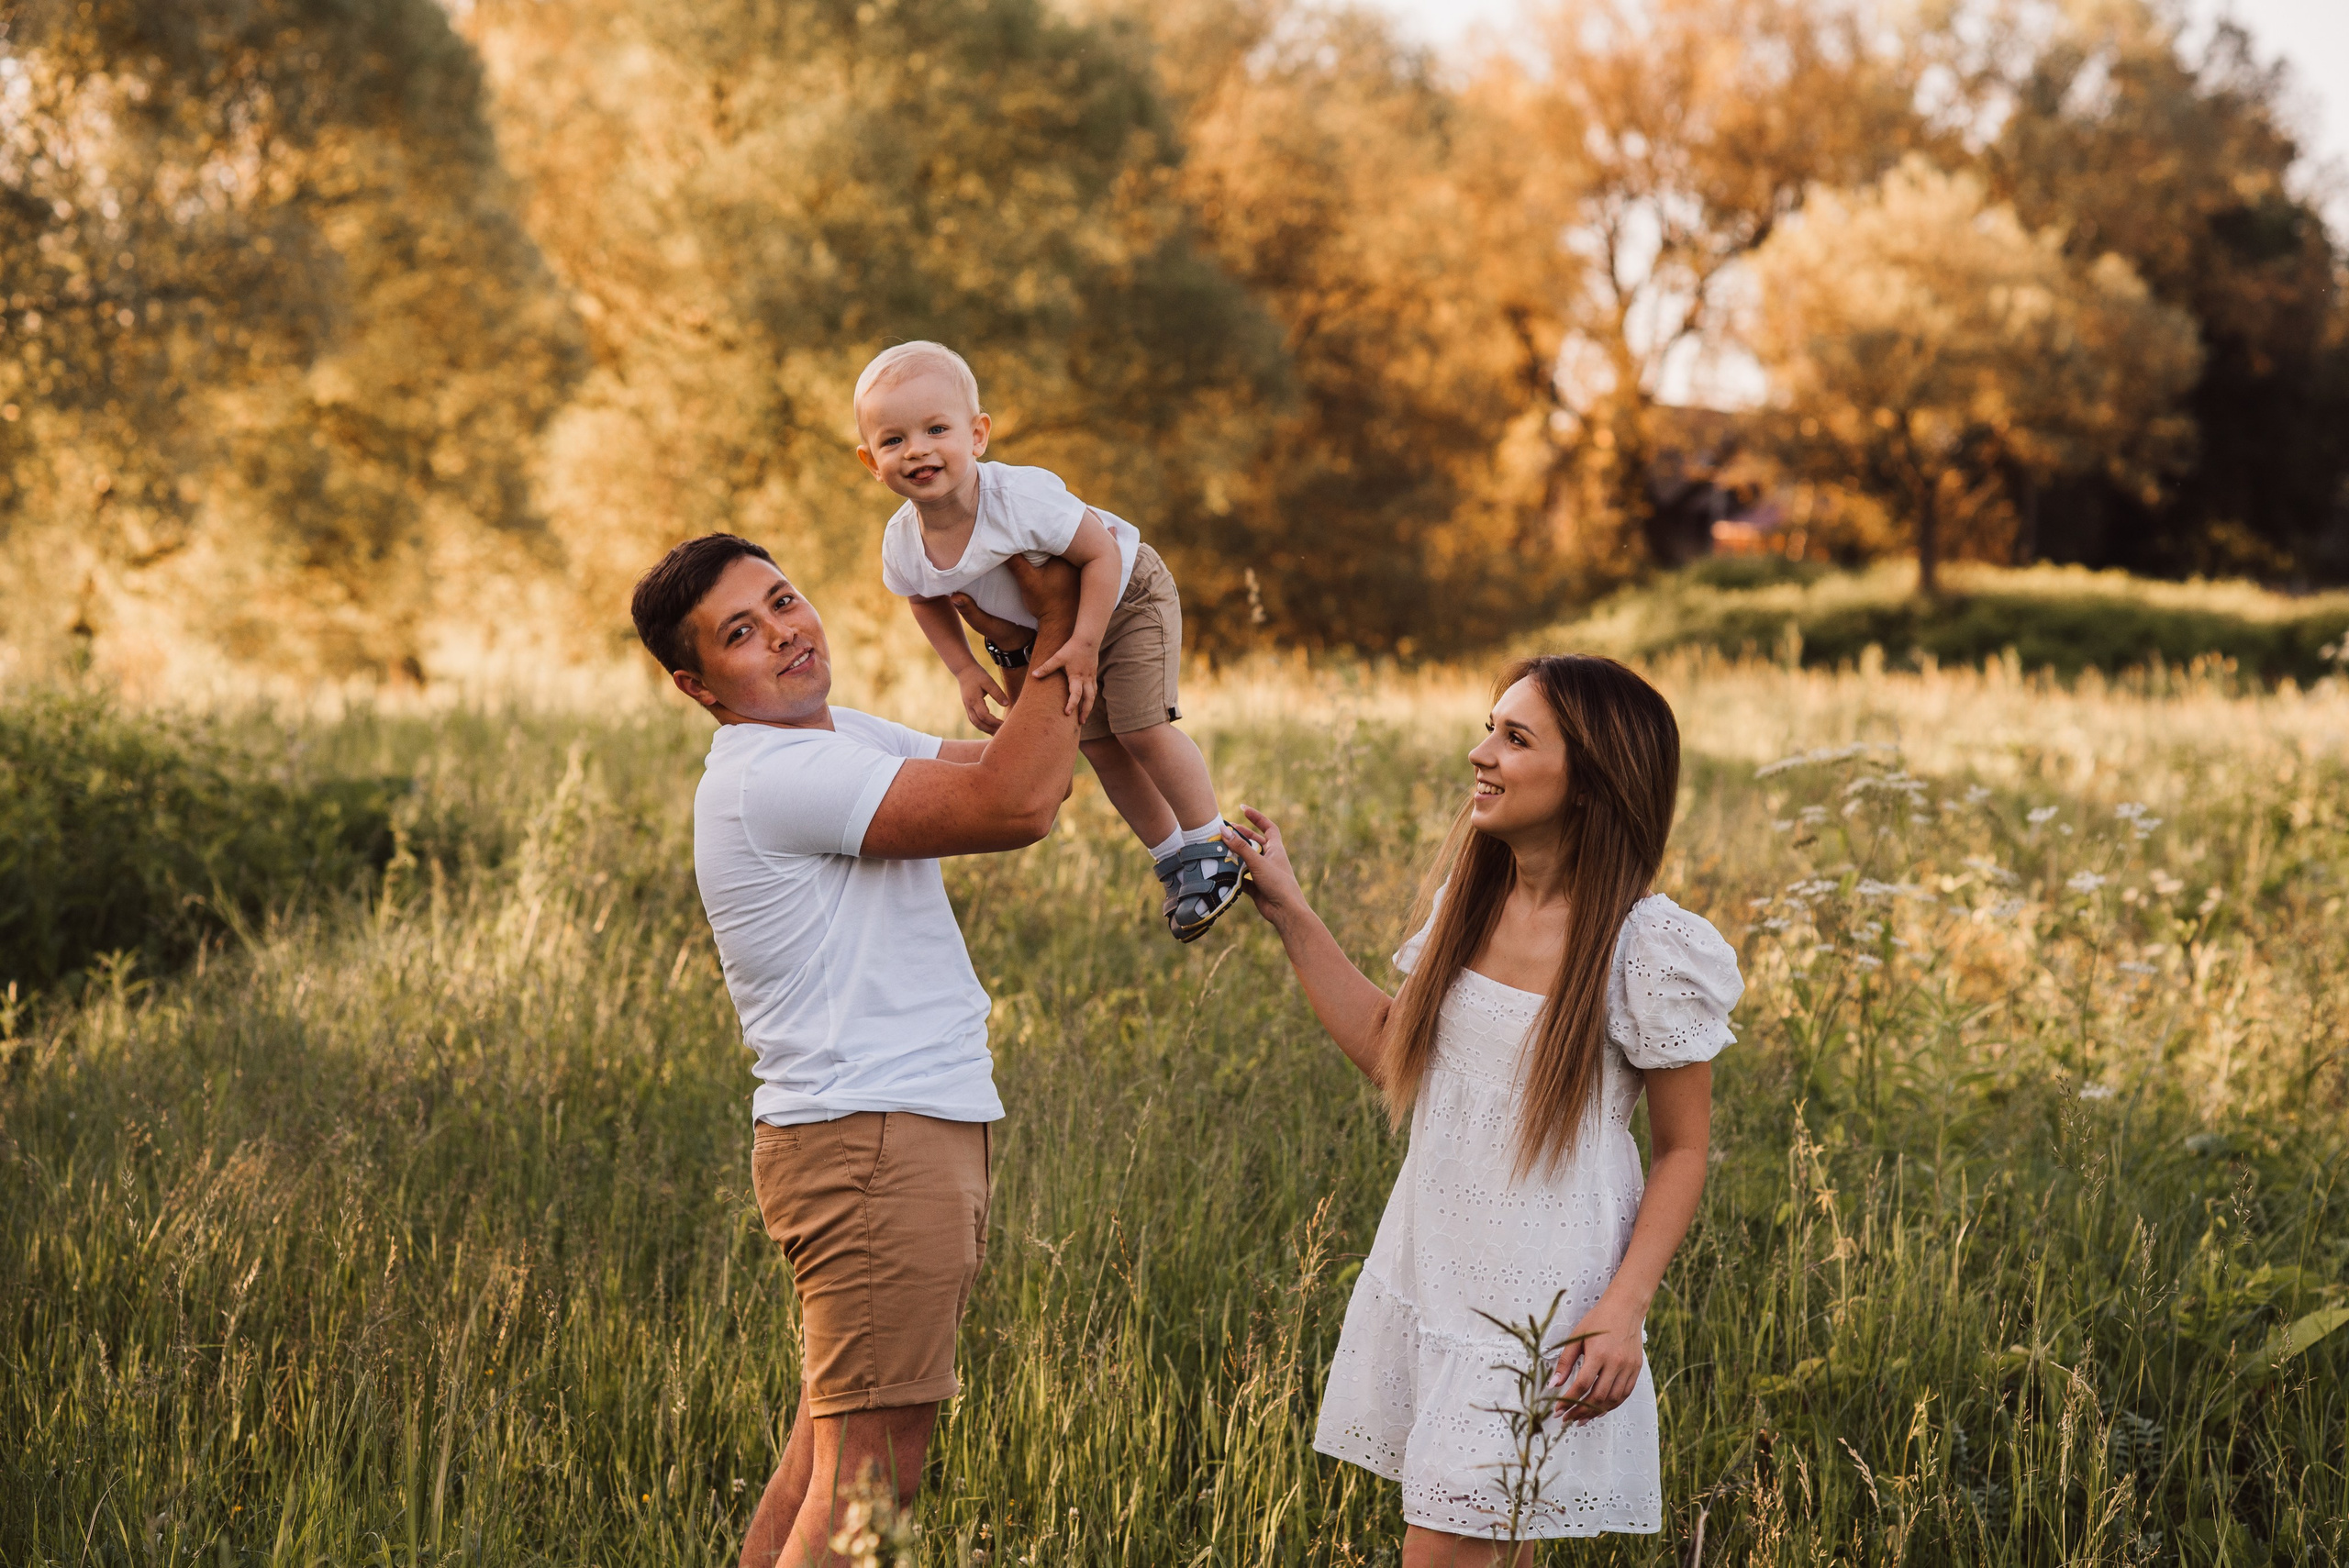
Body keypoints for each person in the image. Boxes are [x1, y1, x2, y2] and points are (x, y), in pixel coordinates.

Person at [1221, 654, 1743, 1561]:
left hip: (1539, 1314)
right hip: (1442, 1282)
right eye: (1488, 727)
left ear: (1590, 778)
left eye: (1514, 736)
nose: (1480, 752)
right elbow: (1394, 1048)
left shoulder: (1650, 948)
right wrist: (1291, 913)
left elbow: (1682, 1150)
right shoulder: (1473, 902)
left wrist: (1624, 1307)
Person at [628, 532, 1084, 1568]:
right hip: (872, 1140)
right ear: (700, 685)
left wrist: (1022, 649)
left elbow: (1030, 772)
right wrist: (1067, 615)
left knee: (824, 1465)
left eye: (783, 600)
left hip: (883, 1131)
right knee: (871, 1487)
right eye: (742, 632)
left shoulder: (834, 739)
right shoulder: (778, 771)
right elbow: (1013, 805)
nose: (784, 631)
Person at [852, 339, 1247, 943]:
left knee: (1141, 728)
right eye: (894, 440)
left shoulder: (1018, 499)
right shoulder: (904, 541)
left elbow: (1098, 553)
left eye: (937, 428)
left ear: (977, 435)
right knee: (1100, 745)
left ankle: (1212, 842)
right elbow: (922, 596)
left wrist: (1087, 641)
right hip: (1055, 634)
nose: (918, 450)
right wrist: (962, 667)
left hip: (1125, 595)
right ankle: (1172, 857)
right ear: (870, 461)